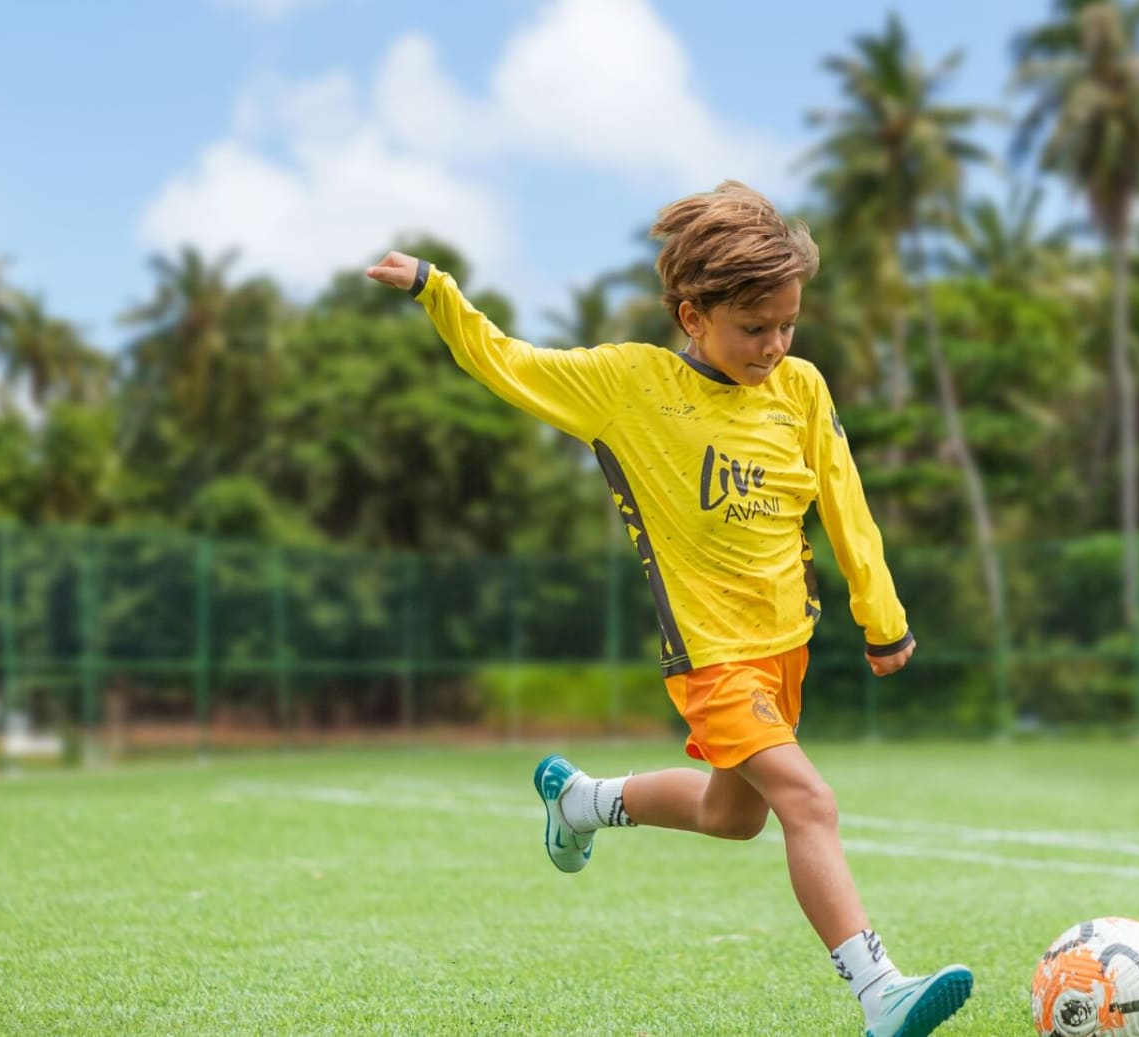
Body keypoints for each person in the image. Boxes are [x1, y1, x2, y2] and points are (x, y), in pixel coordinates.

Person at [366, 180, 971, 1037]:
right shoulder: (628, 386)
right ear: (692, 316)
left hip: (784, 648)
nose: (774, 344)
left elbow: (846, 499)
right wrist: (438, 289)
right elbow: (509, 361)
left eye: (787, 324)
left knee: (735, 816)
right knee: (810, 803)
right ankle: (882, 993)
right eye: (753, 328)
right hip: (712, 658)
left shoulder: (801, 389)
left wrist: (883, 616)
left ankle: (582, 800)